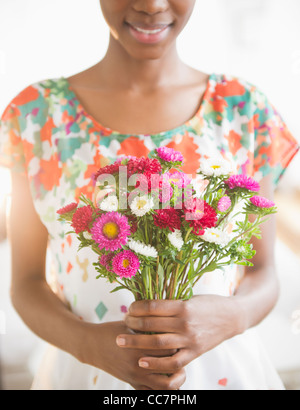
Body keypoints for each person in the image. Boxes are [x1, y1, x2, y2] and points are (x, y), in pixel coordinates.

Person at [0, 0, 299, 391]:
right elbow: (25, 284)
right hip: (84, 375)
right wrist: (89, 345)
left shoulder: (243, 110)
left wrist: (233, 316)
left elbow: (263, 273)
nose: (152, 4)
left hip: (225, 374)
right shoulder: (36, 115)